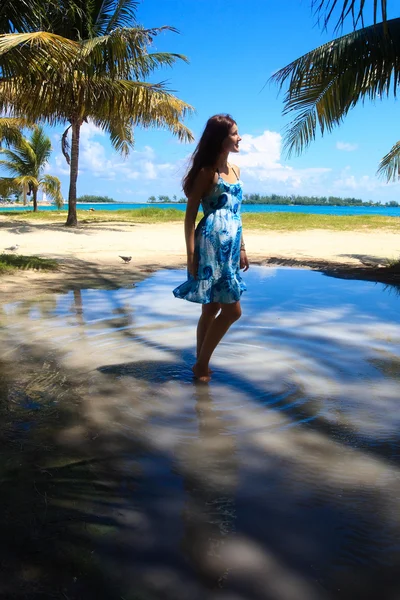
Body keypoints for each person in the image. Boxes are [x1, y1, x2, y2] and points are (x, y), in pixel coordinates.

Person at [173, 114, 249, 382]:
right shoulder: (207, 172)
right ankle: (202, 365)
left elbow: (236, 213)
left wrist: (242, 247)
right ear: (221, 139)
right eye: (235, 133)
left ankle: (199, 362)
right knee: (232, 311)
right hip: (209, 246)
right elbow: (190, 214)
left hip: (229, 249)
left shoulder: (237, 170)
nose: (240, 137)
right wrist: (191, 254)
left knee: (213, 309)